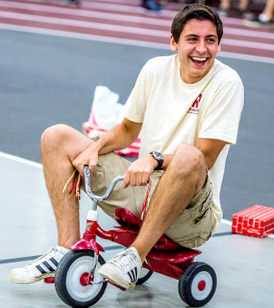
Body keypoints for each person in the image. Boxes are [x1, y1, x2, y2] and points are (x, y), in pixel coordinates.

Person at [9, 4, 244, 289]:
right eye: (192, 39)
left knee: (189, 155)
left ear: (219, 45)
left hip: (190, 214)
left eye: (210, 40)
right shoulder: (155, 69)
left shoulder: (227, 82)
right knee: (56, 136)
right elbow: (127, 130)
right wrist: (97, 146)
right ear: (174, 42)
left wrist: (155, 159)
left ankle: (135, 256)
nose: (202, 49)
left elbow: (205, 158)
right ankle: (66, 250)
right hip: (141, 188)